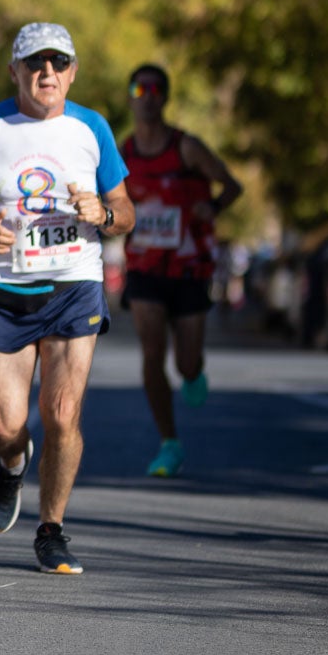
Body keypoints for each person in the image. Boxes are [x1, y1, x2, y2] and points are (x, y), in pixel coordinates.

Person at [0, 22, 134, 574]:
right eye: (35, 63)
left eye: (58, 63)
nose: (48, 72)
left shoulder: (92, 127)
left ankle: (52, 531)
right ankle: (12, 464)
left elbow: (125, 210)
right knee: (2, 427)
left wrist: (103, 213)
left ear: (73, 72)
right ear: (14, 71)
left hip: (74, 283)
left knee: (62, 413)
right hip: (6, 288)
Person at [119, 64, 242, 478]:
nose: (147, 96)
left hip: (190, 267)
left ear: (165, 97)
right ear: (130, 96)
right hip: (145, 266)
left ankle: (193, 372)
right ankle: (169, 442)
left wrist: (213, 206)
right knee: (152, 351)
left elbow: (232, 185)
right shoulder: (123, 154)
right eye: (140, 89)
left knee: (186, 363)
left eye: (155, 89)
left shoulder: (186, 148)